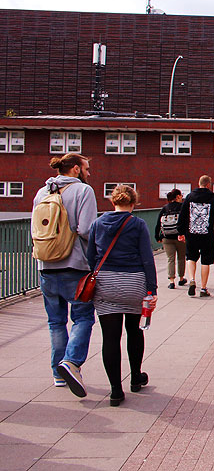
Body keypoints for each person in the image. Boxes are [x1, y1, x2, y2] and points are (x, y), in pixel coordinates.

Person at [86, 185, 157, 406]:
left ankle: (116, 390)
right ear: (134, 203)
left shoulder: (98, 224)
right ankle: (136, 377)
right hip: (133, 281)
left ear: (112, 201)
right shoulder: (137, 224)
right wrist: (151, 289)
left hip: (106, 283)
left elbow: (91, 256)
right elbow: (147, 257)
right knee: (134, 331)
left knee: (110, 337)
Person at [34, 153, 98, 396]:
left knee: (56, 322)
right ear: (74, 170)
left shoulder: (42, 192)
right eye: (86, 168)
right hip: (75, 266)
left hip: (46, 266)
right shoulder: (83, 191)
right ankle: (70, 363)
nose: (88, 173)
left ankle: (57, 374)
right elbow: (86, 230)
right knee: (82, 318)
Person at [177, 175, 214, 298]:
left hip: (191, 233)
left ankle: (192, 279)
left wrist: (181, 232)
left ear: (199, 183)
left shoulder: (189, 197)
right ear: (208, 185)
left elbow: (182, 215)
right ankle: (203, 288)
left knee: (191, 257)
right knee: (206, 261)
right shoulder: (213, 198)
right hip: (207, 234)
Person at [155, 189, 187, 289]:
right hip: (179, 236)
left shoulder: (165, 208)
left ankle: (172, 281)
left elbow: (158, 224)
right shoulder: (183, 207)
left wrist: (158, 236)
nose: (182, 197)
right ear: (177, 196)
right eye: (181, 195)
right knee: (181, 258)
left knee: (170, 259)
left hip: (167, 237)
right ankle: (181, 279)